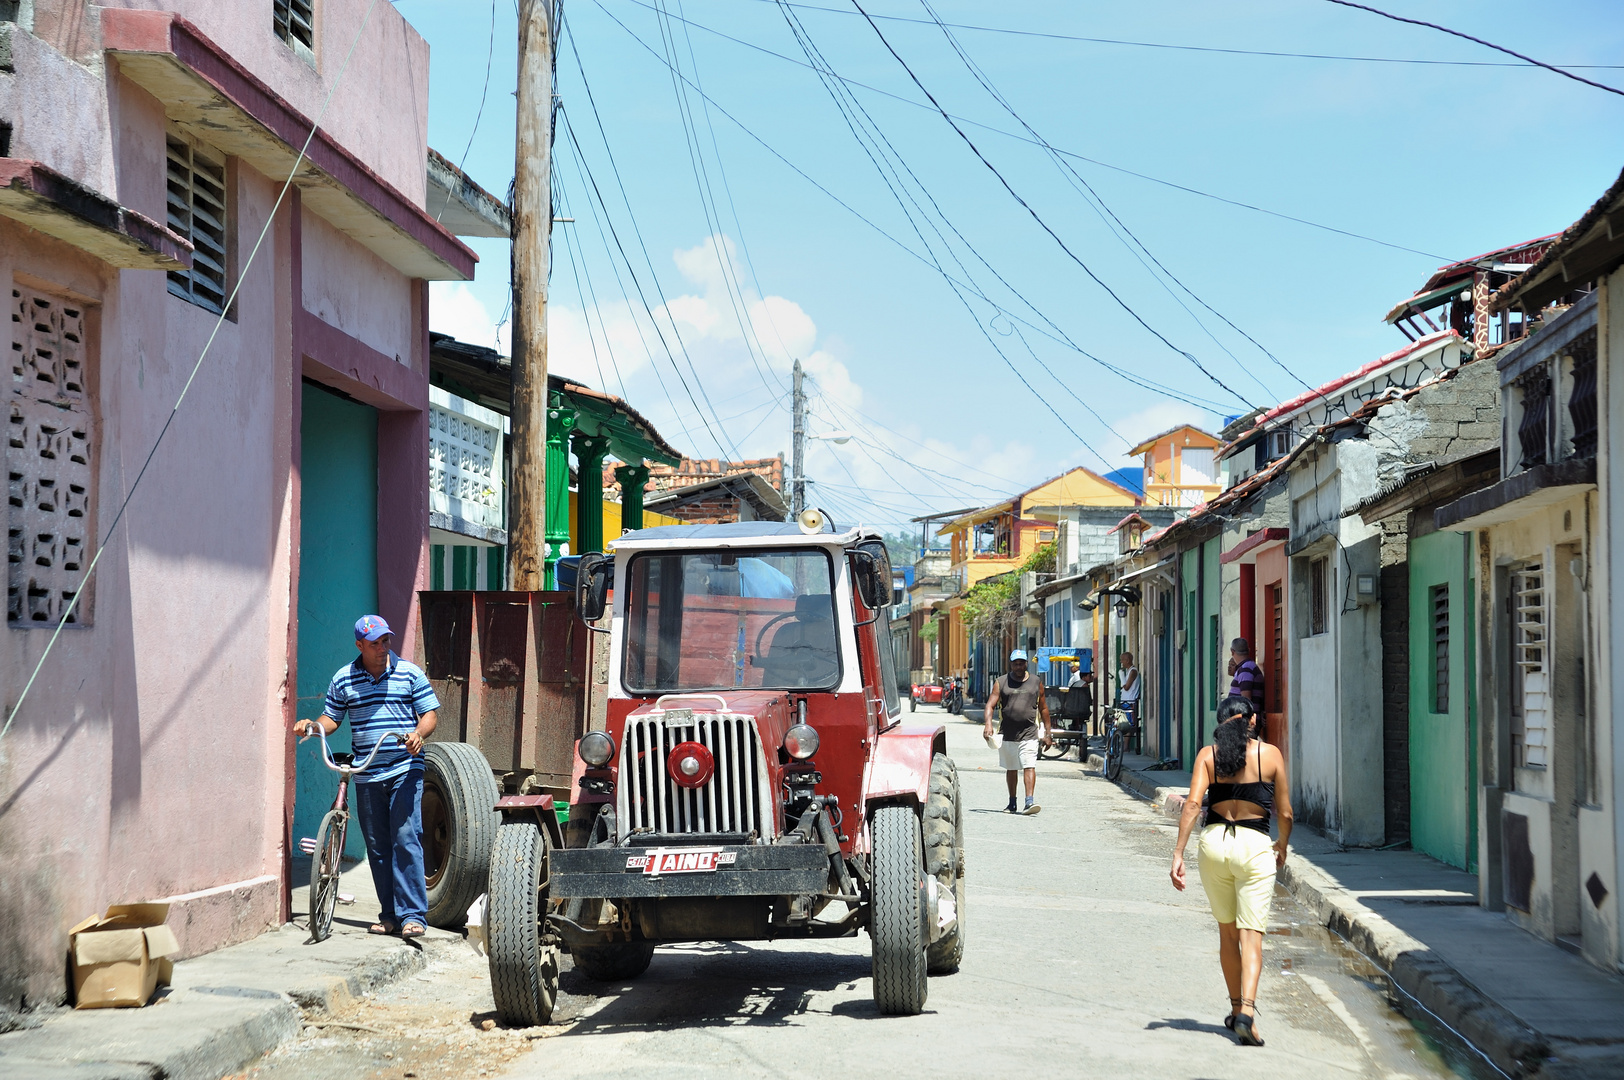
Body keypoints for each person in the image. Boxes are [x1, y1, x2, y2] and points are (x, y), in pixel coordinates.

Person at [294, 615, 441, 938]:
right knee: (377, 846)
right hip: (367, 770)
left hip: (405, 765)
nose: (382, 648)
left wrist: (418, 734)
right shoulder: (344, 679)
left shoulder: (408, 673)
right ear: (359, 645)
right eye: (374, 644)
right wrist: (313, 726)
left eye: (386, 641)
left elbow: (429, 714)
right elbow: (331, 717)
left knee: (406, 837)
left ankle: (413, 916)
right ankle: (389, 915)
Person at [1169, 695, 1293, 1046]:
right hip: (1255, 847)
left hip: (1214, 845)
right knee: (1252, 935)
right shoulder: (1270, 755)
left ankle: (1235, 1006)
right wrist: (1281, 845)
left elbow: (1193, 804)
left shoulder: (1208, 756)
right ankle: (1247, 1015)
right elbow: (1285, 814)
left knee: (1228, 935)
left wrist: (1178, 853)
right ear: (1249, 721)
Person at [982, 649, 1053, 814]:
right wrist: (988, 724)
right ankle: (1012, 802)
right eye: (1016, 663)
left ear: (1026, 664)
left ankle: (1029, 802)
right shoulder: (1001, 682)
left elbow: (1043, 709)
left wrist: (1048, 733)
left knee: (1029, 765)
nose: (1019, 666)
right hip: (1007, 733)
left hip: (1029, 733)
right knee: (1011, 767)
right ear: (1011, 664)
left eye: (1022, 663)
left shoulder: (1036, 682)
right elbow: (990, 705)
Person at [1227, 638, 1265, 709]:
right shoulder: (1248, 667)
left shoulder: (1246, 669)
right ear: (1249, 650)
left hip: (1243, 719)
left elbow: (1246, 700)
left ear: (1232, 652)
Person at [1117, 651, 1141, 732]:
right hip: (1125, 702)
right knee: (1123, 724)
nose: (1121, 662)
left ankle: (1126, 744)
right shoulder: (1128, 671)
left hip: (1130, 703)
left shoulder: (1133, 671)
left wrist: (1121, 675)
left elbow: (1126, 687)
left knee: (1128, 726)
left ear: (1127, 660)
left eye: (1122, 660)